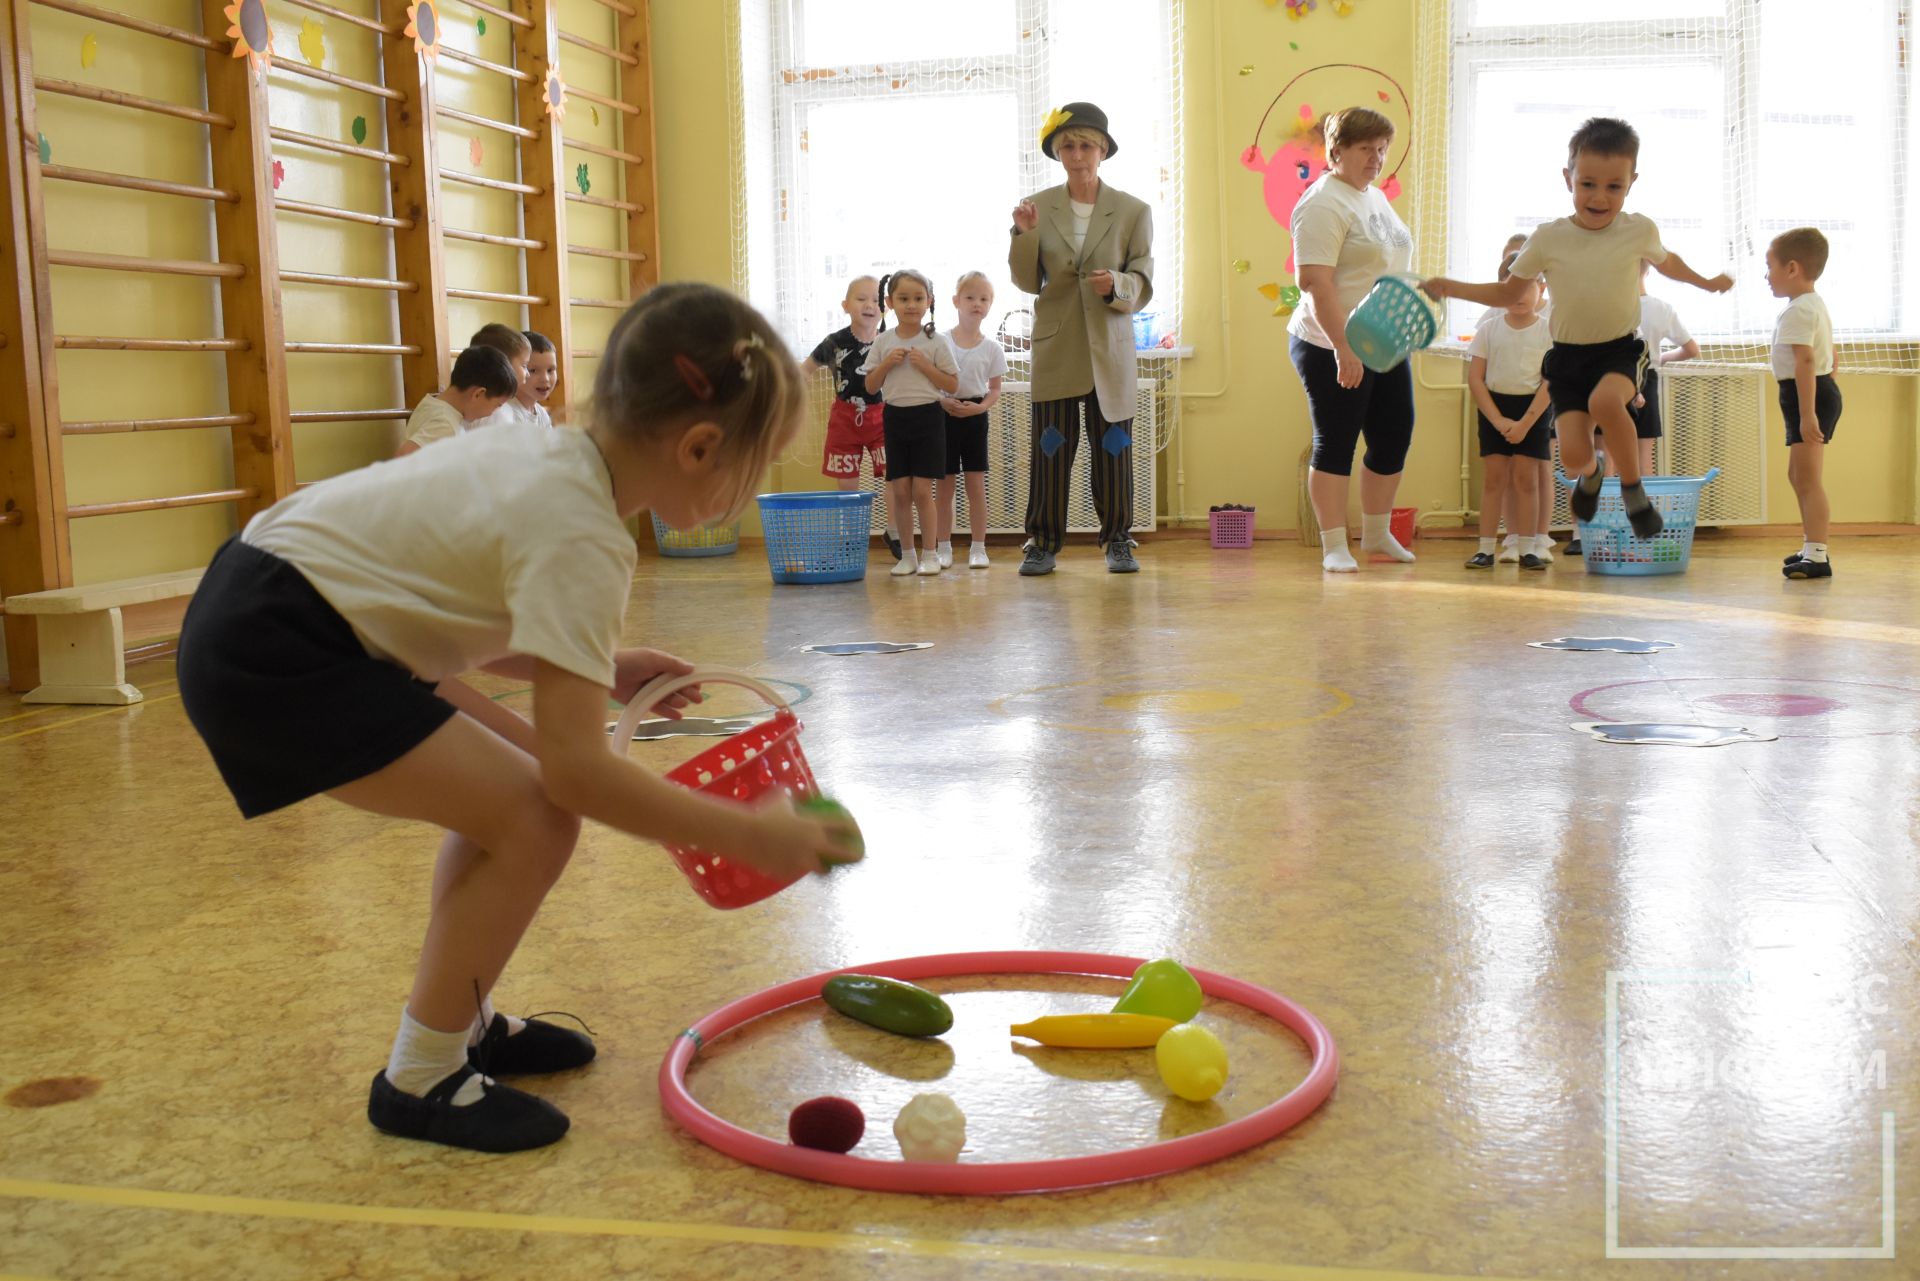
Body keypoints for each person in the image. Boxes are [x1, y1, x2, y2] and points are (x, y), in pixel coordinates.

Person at [175, 283, 862, 1155]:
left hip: (264, 602)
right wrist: (743, 833)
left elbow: (442, 597)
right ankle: (422, 1074)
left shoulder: (548, 459)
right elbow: (579, 772)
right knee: (539, 811)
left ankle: (459, 1020)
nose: (750, 487)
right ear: (699, 447)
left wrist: (598, 665)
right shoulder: (585, 531)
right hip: (281, 649)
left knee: (508, 803)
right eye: (755, 465)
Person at [1424, 117, 1732, 540]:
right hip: (1567, 359)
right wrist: (1451, 287)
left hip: (1620, 350)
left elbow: (1668, 262)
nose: (1600, 197)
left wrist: (1707, 282)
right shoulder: (1548, 238)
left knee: (1609, 403)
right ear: (1568, 178)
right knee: (1571, 457)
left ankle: (1633, 490)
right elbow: (1506, 291)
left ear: (1631, 182)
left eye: (1614, 186)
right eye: (1587, 184)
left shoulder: (1638, 229)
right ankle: (1593, 473)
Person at [1009, 101, 1154, 576]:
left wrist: (1117, 284)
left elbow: (1143, 280)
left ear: (1104, 150)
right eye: (1067, 145)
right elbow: (1028, 281)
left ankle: (1118, 539)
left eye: (1086, 145)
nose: (1077, 154)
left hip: (1109, 347)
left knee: (1114, 447)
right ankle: (1043, 542)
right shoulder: (1037, 207)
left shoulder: (1133, 210)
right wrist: (1024, 235)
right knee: (1051, 448)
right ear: (1056, 151)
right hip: (1056, 346)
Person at [1284, 107, 1418, 572]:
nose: (1377, 158)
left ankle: (1377, 537)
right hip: (1328, 341)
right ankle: (1334, 546)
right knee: (1337, 441)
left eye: (1382, 149)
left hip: (1382, 338)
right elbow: (1316, 283)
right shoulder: (1323, 202)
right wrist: (1344, 348)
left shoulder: (1373, 197)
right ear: (1336, 151)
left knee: (1393, 434)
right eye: (1366, 149)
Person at [859, 269, 960, 576]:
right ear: (889, 302)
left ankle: (930, 553)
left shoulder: (936, 341)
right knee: (901, 491)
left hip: (928, 418)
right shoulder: (883, 341)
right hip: (895, 418)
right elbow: (870, 387)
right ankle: (907, 555)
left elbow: (952, 385)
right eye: (903, 298)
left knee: (921, 492)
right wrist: (887, 363)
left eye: (918, 298)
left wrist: (926, 367)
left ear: (929, 301)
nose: (911, 305)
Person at [1465, 254, 1554, 570]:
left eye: (1527, 287)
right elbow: (1475, 379)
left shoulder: (1548, 331)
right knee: (1494, 480)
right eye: (1510, 289)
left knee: (1526, 480)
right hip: (1495, 410)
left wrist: (1526, 423)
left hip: (1533, 412)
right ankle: (1485, 548)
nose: (1519, 296)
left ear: (1541, 289)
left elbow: (1549, 382)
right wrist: (1498, 419)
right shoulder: (1488, 330)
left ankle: (1529, 547)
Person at [805, 276, 900, 560]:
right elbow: (805, 370)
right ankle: (850, 538)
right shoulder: (834, 342)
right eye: (861, 299)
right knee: (847, 484)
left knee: (893, 475)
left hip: (882, 418)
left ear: (885, 308)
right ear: (846, 306)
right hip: (845, 420)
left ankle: (893, 530)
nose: (869, 305)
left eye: (875, 300)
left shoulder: (889, 341)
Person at [1768, 228, 1841, 580]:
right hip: (1808, 395)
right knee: (1796, 475)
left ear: (1792, 268)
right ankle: (1810, 545)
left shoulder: (1799, 311)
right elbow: (1830, 355)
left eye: (1770, 267)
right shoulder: (1811, 304)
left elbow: (1807, 363)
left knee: (1808, 479)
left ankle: (1818, 555)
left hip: (1806, 398)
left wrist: (1811, 412)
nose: (1767, 276)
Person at [934, 271, 1008, 569]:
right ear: (956, 301)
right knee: (945, 486)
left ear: (990, 305)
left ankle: (979, 547)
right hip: (944, 415)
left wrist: (979, 409)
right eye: (970, 297)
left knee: (976, 486)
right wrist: (942, 401)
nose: (977, 303)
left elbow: (994, 389)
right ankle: (942, 547)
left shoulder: (992, 348)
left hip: (976, 418)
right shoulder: (940, 342)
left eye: (984, 299)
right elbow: (930, 382)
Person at [395, 345, 518, 456]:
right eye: (497, 405)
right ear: (478, 394)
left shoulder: (434, 403)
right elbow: (404, 455)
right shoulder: (446, 424)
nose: (493, 412)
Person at [511, 329, 559, 429]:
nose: (545, 379)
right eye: (533, 370)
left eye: (550, 370)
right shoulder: (506, 414)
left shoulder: (542, 414)